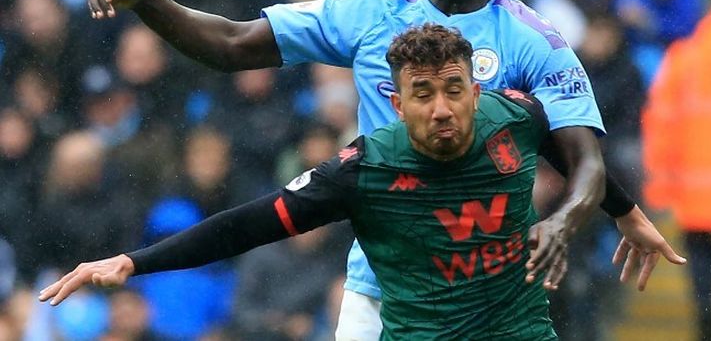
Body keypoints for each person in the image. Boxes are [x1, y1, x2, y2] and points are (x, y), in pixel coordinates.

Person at [81, 0, 684, 339]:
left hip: (495, 298)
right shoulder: (368, 19)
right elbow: (234, 45)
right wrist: (148, 1)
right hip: (387, 286)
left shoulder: (534, 43)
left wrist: (606, 212)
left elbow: (579, 155)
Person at [40, 24, 605, 339]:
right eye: (423, 94)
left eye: (454, 90)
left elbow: (588, 163)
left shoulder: (517, 118)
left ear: (476, 93)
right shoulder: (362, 170)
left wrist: (607, 216)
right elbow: (246, 226)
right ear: (397, 103)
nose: (442, 108)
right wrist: (135, 262)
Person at [641, 0, 711, 341]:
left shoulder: (686, 57)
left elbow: (662, 124)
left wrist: (661, 188)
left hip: (695, 190)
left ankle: (707, 328)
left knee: (698, 265)